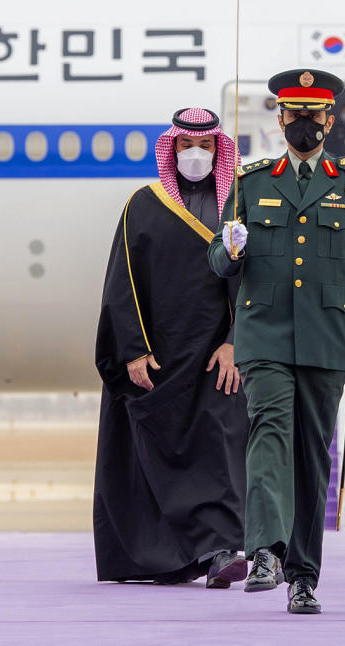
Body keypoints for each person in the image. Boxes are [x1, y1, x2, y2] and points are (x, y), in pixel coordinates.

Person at [207, 69, 345, 614]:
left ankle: (304, 575)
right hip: (265, 335)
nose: (303, 123)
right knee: (269, 434)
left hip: (328, 339)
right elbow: (217, 261)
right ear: (279, 118)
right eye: (293, 113)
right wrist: (230, 248)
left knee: (312, 456)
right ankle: (265, 550)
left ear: (330, 120)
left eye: (314, 114)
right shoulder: (250, 180)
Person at [94, 107, 249, 588]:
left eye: (205, 146)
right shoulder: (144, 202)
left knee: (219, 449)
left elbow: (260, 285)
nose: (196, 155)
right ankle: (168, 559)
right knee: (154, 453)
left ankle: (223, 550)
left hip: (218, 356)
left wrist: (234, 342)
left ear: (220, 148)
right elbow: (122, 282)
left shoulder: (241, 206)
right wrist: (133, 350)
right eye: (185, 146)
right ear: (172, 148)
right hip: (158, 357)